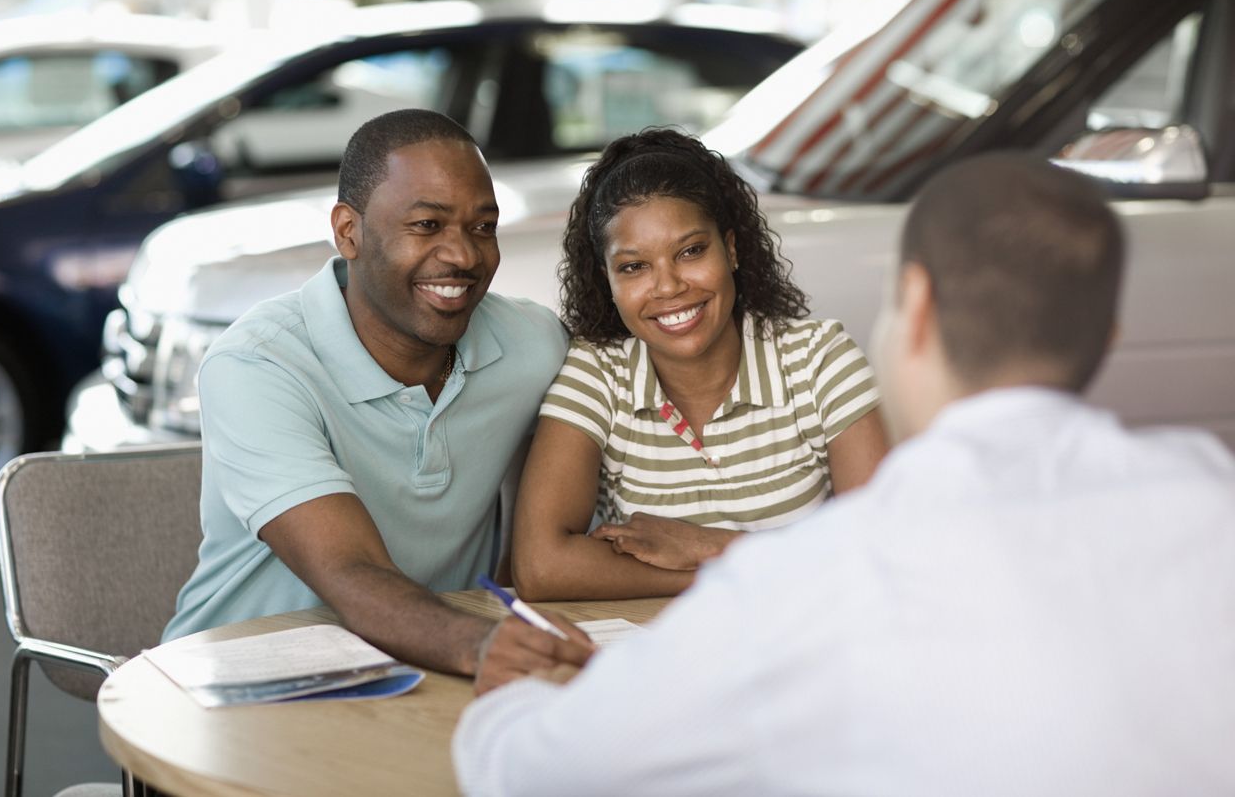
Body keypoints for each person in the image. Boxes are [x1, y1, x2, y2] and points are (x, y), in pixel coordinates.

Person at [453, 152, 1235, 795]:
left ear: (916, 308)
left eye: (690, 251)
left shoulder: (820, 580)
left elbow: (534, 771)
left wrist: (507, 701)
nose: (668, 283)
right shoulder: (1212, 500)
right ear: (1108, 332)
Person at [163, 109, 593, 692]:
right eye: (426, 225)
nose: (463, 256)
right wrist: (484, 643)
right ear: (349, 232)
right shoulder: (258, 366)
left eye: (482, 227)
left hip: (427, 673)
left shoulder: (531, 345)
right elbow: (350, 570)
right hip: (244, 687)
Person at [510, 128, 888, 601]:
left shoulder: (818, 360)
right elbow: (540, 567)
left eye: (690, 252)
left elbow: (883, 552)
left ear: (730, 249)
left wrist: (705, 545)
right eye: (634, 267)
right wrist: (720, 579)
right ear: (606, 280)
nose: (668, 287)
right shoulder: (600, 373)